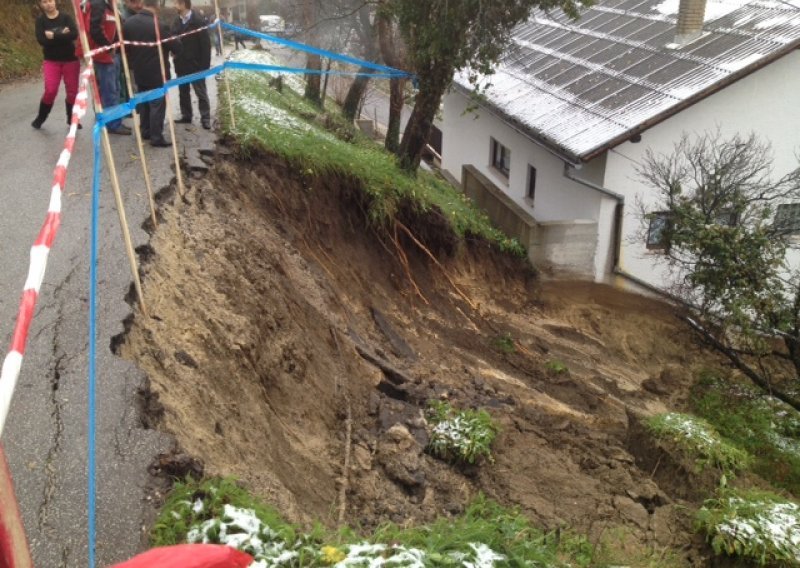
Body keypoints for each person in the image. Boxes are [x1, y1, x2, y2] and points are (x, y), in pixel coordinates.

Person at [123, 0, 181, 147]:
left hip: (139, 71)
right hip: (157, 73)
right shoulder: (159, 25)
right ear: (155, 7)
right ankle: (156, 137)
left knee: (144, 103)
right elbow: (176, 46)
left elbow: (124, 48)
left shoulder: (128, 23)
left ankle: (145, 131)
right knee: (157, 105)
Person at [77, 0, 131, 134]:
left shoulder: (111, 6)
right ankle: (113, 124)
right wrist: (108, 47)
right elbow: (95, 29)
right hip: (104, 55)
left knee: (115, 88)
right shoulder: (98, 4)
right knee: (110, 91)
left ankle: (111, 119)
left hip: (112, 54)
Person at [31, 0, 80, 129]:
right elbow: (42, 41)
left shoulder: (66, 17)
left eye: (51, 1)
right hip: (51, 61)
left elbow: (74, 34)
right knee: (50, 90)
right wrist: (63, 35)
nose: (49, 4)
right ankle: (41, 117)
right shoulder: (40, 21)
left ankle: (72, 119)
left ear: (55, 2)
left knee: (72, 92)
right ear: (41, 4)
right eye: (45, 2)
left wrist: (53, 36)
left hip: (71, 60)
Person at [171, 0, 211, 129]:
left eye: (176, 3)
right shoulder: (176, 21)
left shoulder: (198, 21)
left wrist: (204, 66)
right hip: (181, 64)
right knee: (183, 91)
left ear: (183, 4)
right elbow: (172, 38)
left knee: (200, 92)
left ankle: (205, 118)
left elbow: (206, 45)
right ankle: (186, 115)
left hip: (196, 64)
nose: (174, 6)